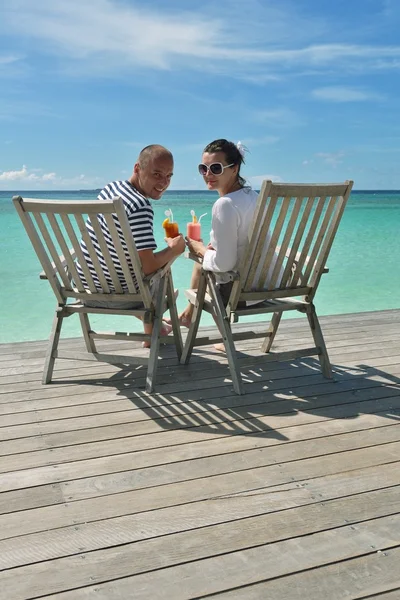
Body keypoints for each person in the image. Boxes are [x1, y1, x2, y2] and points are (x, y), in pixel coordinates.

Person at [76, 144, 185, 345]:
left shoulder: (110, 189)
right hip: (121, 297)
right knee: (162, 273)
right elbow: (149, 266)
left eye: (169, 176)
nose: (164, 182)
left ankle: (157, 329)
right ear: (137, 169)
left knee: (133, 269)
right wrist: (175, 249)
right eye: (157, 174)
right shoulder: (140, 206)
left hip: (83, 289)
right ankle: (154, 330)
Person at [176, 138, 279, 336]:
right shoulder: (255, 197)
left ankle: (223, 336)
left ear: (234, 168)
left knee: (202, 259)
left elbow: (224, 264)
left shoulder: (224, 204)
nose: (208, 174)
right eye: (203, 168)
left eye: (216, 168)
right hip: (270, 283)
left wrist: (199, 249)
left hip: (241, 292)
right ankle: (188, 315)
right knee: (204, 259)